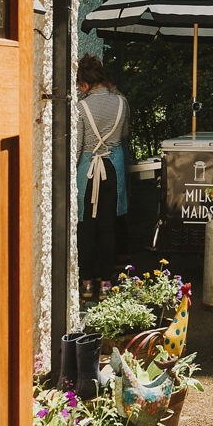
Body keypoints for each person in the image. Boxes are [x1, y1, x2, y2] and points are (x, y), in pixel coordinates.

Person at [75, 54, 130, 300]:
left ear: (85, 82)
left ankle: (87, 282)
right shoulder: (121, 102)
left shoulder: (80, 107)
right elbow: (125, 133)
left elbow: (77, 146)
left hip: (88, 171)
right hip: (112, 169)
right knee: (108, 227)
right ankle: (106, 283)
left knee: (87, 226)